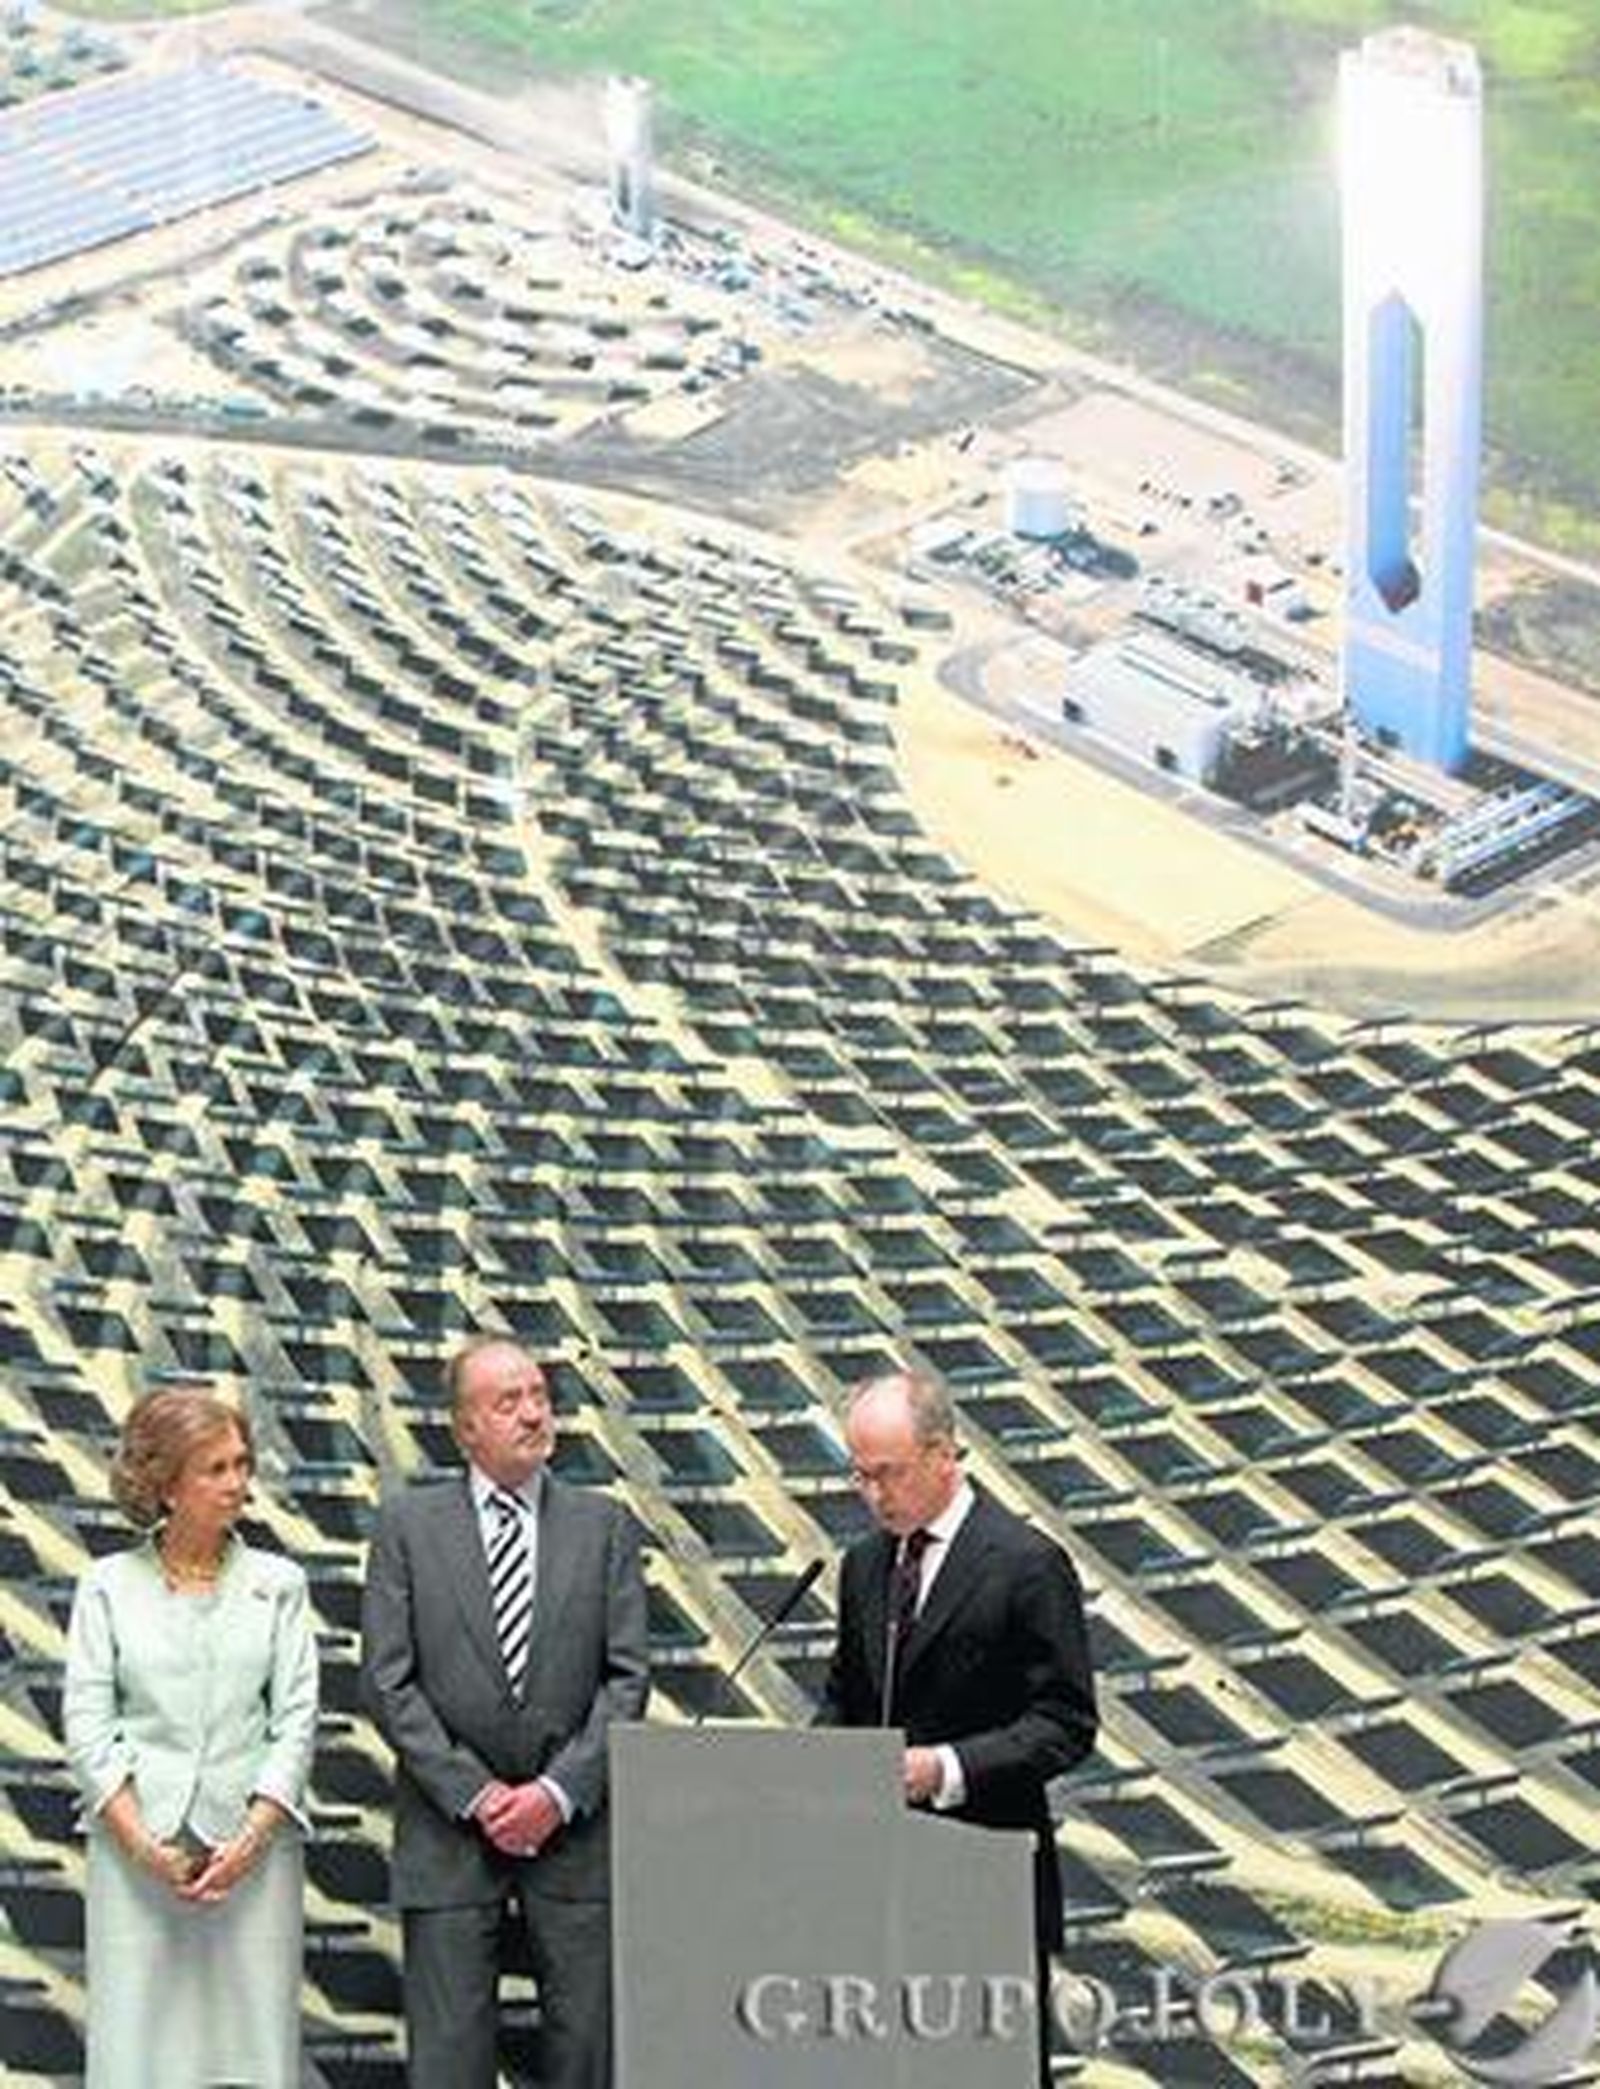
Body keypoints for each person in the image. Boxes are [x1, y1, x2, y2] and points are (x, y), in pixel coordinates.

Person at [360, 1335, 650, 2089]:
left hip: (577, 1837)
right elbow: (388, 1683)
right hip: (447, 1837)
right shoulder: (405, 1527)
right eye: (507, 1400)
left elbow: (628, 1681)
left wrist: (554, 1795)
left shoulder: (606, 1526)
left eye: (538, 1395)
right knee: (448, 2059)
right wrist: (480, 1796)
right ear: (464, 1429)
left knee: (589, 2054)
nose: (531, 1413)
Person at [816, 1368, 1097, 2086]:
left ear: (944, 1454)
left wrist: (942, 1768)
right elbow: (844, 1698)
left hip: (985, 1880)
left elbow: (1064, 1722)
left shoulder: (1026, 1563)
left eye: (889, 1474)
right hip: (875, 1888)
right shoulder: (863, 1566)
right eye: (861, 1477)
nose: (875, 1495)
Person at [62, 1386, 319, 2089]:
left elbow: (296, 1719)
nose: (238, 1482)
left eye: (242, 1463)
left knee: (256, 2053)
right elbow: (86, 1725)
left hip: (253, 1858)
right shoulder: (106, 1586)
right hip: (138, 1855)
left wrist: (253, 1836)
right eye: (216, 1468)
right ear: (165, 1482)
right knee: (134, 2055)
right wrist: (141, 1843)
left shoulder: (281, 1583)